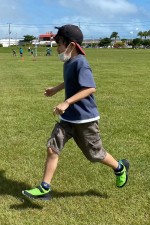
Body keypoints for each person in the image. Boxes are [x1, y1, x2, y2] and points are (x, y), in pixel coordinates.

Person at [22, 24, 129, 200]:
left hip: (85, 119)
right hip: (68, 118)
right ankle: (45, 188)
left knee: (95, 154)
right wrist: (55, 89)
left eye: (59, 44)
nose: (57, 49)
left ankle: (119, 168)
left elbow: (89, 88)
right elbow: (70, 81)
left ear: (71, 46)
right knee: (52, 148)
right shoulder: (69, 62)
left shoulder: (81, 63)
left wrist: (66, 102)